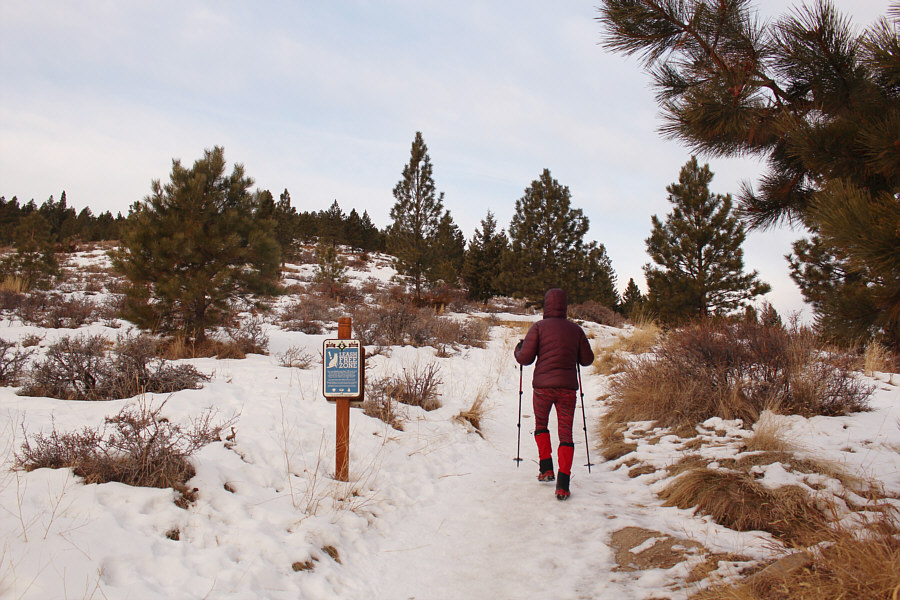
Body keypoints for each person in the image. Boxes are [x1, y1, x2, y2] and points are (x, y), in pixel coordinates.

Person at [514, 288, 594, 500]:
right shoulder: (575, 330)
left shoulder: (538, 328)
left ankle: (546, 468)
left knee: (541, 425)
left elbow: (525, 359)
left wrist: (517, 350)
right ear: (565, 306)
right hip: (568, 389)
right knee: (566, 433)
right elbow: (587, 360)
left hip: (542, 389)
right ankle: (563, 484)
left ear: (546, 305)